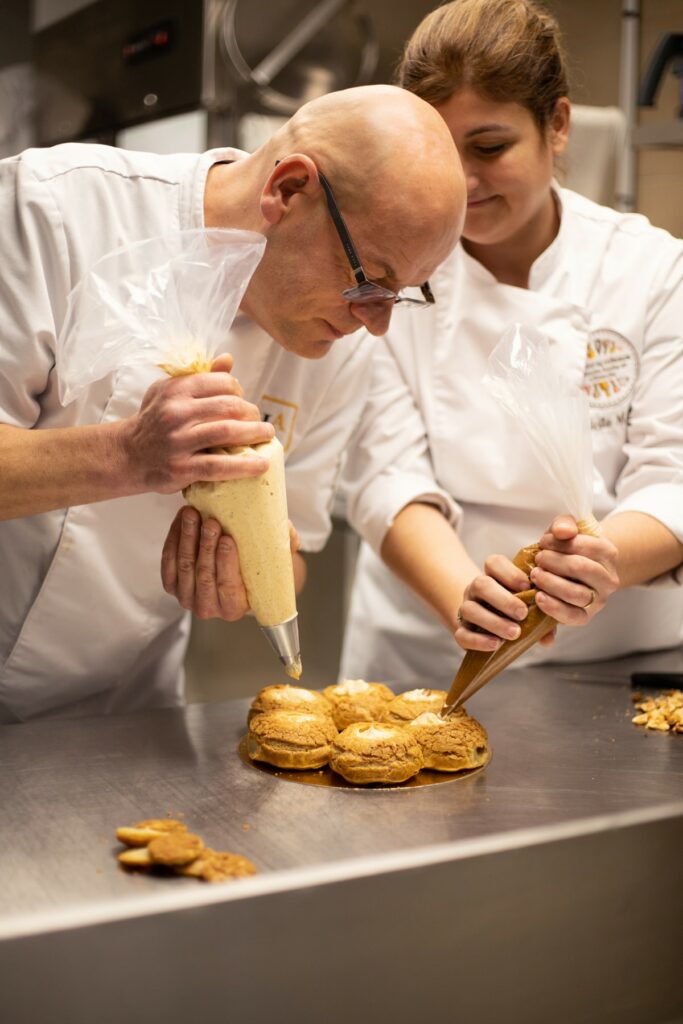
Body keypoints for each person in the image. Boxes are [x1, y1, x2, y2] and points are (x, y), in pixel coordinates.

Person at [0, 84, 466, 722]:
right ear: (289, 190)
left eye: (399, 295)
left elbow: (292, 551)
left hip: (123, 711)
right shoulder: (53, 211)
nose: (376, 323)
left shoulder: (340, 347)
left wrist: (242, 581)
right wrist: (128, 455)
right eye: (369, 281)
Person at [340, 0, 683, 685]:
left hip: (614, 664)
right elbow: (386, 471)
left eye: (490, 147)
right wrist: (466, 597)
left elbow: (672, 474)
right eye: (439, 148)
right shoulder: (385, 270)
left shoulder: (649, 270)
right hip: (424, 655)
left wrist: (594, 565)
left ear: (555, 125)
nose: (463, 180)